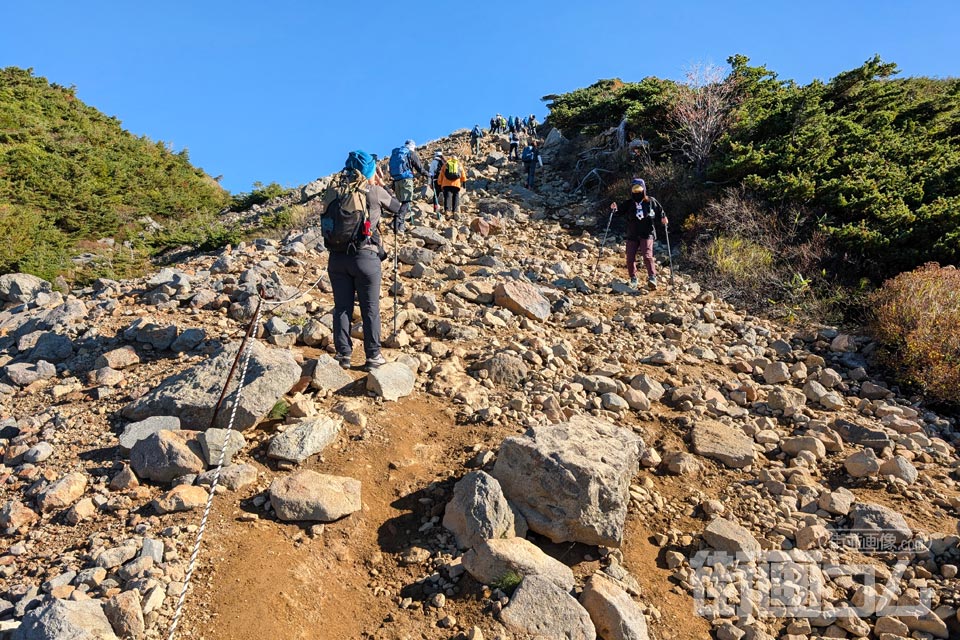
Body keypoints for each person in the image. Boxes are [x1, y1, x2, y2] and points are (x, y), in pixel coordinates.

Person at [321, 150, 402, 370]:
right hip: (366, 257)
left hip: (337, 258)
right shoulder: (374, 191)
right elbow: (398, 207)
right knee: (370, 308)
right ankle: (373, 356)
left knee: (342, 308)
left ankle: (343, 355)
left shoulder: (335, 191)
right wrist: (381, 183)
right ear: (369, 169)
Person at [609, 178, 668, 290]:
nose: (637, 192)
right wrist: (614, 209)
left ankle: (652, 277)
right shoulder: (629, 203)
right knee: (630, 257)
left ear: (643, 189)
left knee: (647, 255)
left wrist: (664, 218)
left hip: (647, 233)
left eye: (639, 189)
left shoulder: (651, 201)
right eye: (634, 190)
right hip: (632, 233)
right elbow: (618, 212)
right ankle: (633, 279)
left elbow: (660, 211)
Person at [388, 139, 426, 232]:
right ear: (413, 146)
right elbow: (419, 168)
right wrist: (428, 174)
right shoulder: (410, 153)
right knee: (407, 201)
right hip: (406, 179)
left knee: (401, 202)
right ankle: (397, 221)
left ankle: (401, 226)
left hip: (396, 180)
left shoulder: (398, 153)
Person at [427, 150, 445, 216]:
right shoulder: (444, 161)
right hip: (444, 181)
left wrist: (429, 182)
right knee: (445, 195)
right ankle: (446, 209)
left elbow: (431, 172)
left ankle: (435, 209)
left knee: (436, 195)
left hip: (436, 180)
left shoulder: (434, 162)